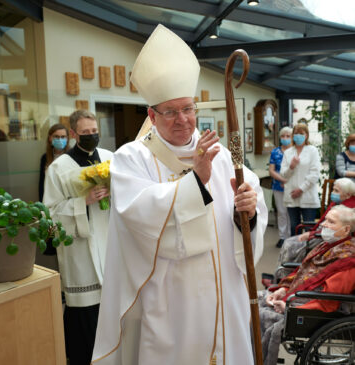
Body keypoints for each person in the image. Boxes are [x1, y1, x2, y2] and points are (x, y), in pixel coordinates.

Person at [92, 24, 268, 365]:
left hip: (226, 294)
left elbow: (248, 202)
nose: (182, 120)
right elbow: (140, 217)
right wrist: (196, 181)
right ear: (152, 115)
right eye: (170, 111)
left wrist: (246, 211)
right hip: (172, 301)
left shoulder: (220, 155)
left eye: (188, 109)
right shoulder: (132, 158)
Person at [43, 110, 113, 365]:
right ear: (73, 134)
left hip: (109, 244)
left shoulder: (110, 158)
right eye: (85, 133)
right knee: (86, 319)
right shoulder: (58, 168)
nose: (91, 136)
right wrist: (82, 202)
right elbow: (49, 213)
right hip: (80, 250)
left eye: (94, 132)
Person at [260, 204, 355, 365]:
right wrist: (283, 290)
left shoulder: (348, 260)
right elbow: (302, 273)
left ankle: (257, 357)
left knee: (258, 315)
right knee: (252, 302)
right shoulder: (328, 246)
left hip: (310, 307)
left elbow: (328, 302)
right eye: (325, 220)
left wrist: (291, 307)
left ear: (346, 230)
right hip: (298, 297)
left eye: (331, 222)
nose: (324, 224)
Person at [280, 123, 321, 236]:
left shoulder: (312, 150)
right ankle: (295, 252)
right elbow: (283, 174)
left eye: (301, 133)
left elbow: (314, 174)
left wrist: (301, 189)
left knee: (308, 228)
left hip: (307, 195)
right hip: (291, 195)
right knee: (294, 227)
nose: (298, 136)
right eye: (296, 133)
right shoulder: (288, 152)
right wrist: (291, 167)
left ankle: (308, 253)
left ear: (306, 135)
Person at [268, 126, 292, 248]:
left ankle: (292, 236)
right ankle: (283, 237)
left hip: (293, 187)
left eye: (288, 136)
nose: (285, 138)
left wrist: (289, 182)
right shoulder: (275, 152)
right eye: (283, 136)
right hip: (278, 186)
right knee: (281, 212)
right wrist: (283, 180)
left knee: (291, 212)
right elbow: (271, 171)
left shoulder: (295, 151)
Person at [39, 123, 70, 201]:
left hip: (68, 200)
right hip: (50, 200)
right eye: (56, 136)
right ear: (50, 138)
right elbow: (42, 183)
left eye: (63, 137)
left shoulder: (72, 156)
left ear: (67, 139)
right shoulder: (45, 158)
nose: (60, 139)